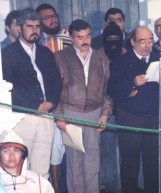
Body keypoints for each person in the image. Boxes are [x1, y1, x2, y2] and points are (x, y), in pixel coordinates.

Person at [108, 26, 161, 193]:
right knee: (130, 164)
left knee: (153, 164)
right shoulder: (121, 61)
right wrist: (132, 83)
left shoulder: (160, 58)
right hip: (130, 119)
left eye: (150, 41)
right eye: (142, 41)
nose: (147, 46)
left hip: (154, 118)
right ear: (132, 42)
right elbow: (112, 90)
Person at [1, 8, 62, 179]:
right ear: (19, 28)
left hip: (46, 116)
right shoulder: (6, 54)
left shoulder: (45, 53)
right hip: (21, 118)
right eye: (29, 26)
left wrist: (50, 102)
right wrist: (34, 106)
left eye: (37, 26)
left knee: (42, 169)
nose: (34, 30)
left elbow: (56, 82)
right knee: (18, 168)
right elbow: (7, 88)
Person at [54, 19, 112, 193]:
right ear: (71, 38)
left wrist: (105, 114)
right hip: (71, 112)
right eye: (80, 37)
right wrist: (59, 115)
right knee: (74, 161)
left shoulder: (101, 57)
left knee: (93, 159)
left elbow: (107, 90)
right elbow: (54, 90)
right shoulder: (60, 57)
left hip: (95, 113)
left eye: (88, 36)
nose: (85, 41)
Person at [36, 3, 71, 193]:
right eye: (47, 18)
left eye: (54, 16)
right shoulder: (36, 43)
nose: (53, 20)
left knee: (66, 151)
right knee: (49, 152)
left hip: (69, 102)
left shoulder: (69, 37)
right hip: (46, 105)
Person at [99, 21, 126, 193]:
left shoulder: (127, 54)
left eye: (117, 38)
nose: (114, 42)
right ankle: (111, 187)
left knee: (126, 153)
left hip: (125, 111)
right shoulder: (97, 57)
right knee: (107, 152)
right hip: (105, 112)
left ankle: (126, 186)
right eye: (110, 38)